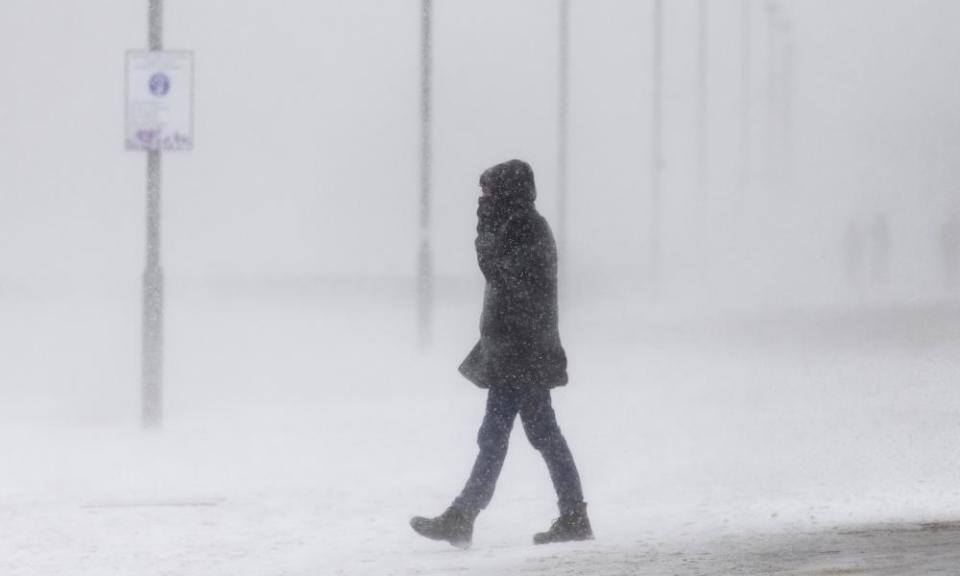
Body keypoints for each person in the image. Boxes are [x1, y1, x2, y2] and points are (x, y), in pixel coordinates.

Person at [410, 159, 592, 549]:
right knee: (543, 434)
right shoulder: (520, 225)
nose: (484, 199)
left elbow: (502, 274)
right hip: (519, 349)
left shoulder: (524, 227)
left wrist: (485, 231)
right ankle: (573, 514)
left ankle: (464, 516)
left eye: (489, 192)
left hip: (521, 352)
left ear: (507, 193)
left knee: (496, 436)